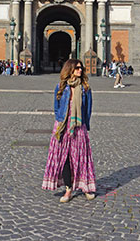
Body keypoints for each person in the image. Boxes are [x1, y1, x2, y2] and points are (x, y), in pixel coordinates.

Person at [42, 59, 96, 202]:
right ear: (70, 69)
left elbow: (88, 109)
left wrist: (85, 125)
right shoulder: (61, 87)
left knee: (81, 157)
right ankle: (68, 190)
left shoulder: (85, 89)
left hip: (79, 127)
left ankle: (86, 187)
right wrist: (59, 123)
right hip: (63, 127)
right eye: (77, 68)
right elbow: (56, 106)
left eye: (81, 68)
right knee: (65, 159)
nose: (80, 70)